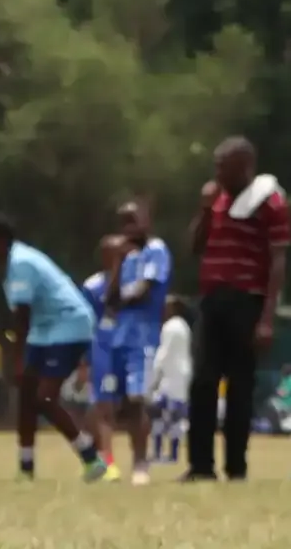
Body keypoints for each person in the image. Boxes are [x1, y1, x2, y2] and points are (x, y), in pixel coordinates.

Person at [185, 136, 291, 481]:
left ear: (244, 166)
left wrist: (267, 319)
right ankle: (200, 466)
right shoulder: (217, 201)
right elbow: (195, 247)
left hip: (247, 300)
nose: (217, 173)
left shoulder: (270, 202)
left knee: (240, 386)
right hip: (213, 299)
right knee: (202, 381)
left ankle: (236, 466)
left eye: (223, 167)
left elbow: (278, 261)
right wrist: (204, 209)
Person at [0, 213, 108, 480]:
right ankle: (26, 468)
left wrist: (19, 360)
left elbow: (21, 316)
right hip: (44, 329)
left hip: (69, 324)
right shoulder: (12, 264)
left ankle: (92, 459)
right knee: (27, 395)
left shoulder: (21, 262)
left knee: (44, 397)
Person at [102, 200, 171, 484]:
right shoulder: (127, 258)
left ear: (146, 221)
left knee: (136, 398)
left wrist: (120, 299)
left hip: (142, 336)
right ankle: (125, 463)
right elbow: (110, 300)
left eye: (133, 220)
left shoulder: (156, 250)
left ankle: (142, 465)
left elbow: (142, 293)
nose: (129, 228)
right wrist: (117, 262)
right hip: (120, 336)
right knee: (120, 405)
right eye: (124, 222)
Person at [79, 235, 127, 480]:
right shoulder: (93, 286)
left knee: (108, 406)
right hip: (102, 349)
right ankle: (108, 461)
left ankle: (88, 449)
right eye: (115, 253)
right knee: (104, 405)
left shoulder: (134, 284)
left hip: (126, 348)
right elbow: (85, 324)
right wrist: (84, 359)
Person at [151, 297, 192, 464]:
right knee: (177, 417)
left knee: (160, 416)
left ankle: (158, 453)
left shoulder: (170, 326)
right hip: (182, 376)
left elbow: (163, 353)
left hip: (170, 377)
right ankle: (173, 455)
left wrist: (154, 377)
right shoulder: (184, 326)